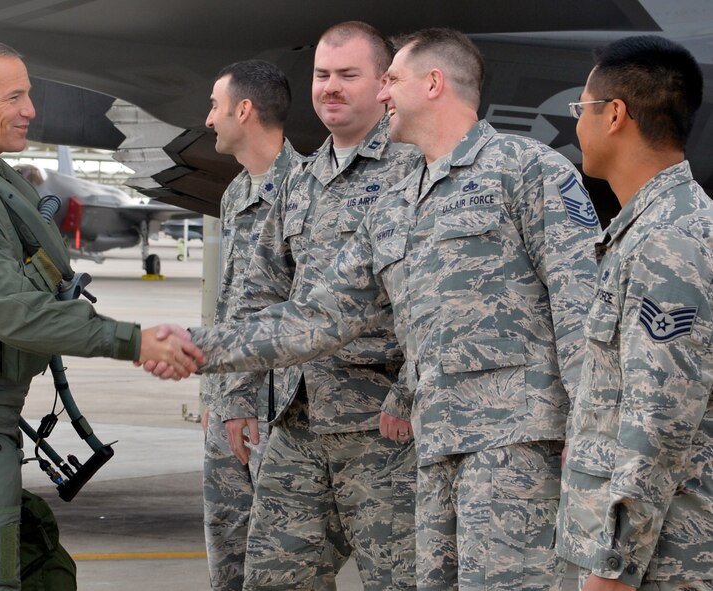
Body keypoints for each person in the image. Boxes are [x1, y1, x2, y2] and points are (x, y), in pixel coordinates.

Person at [149, 27, 600, 591]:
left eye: (391, 81)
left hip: (514, 447)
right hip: (433, 448)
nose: (383, 95)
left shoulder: (528, 170)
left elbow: (585, 317)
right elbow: (317, 316)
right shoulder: (394, 204)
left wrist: (591, 446)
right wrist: (196, 346)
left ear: (433, 84)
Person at [0, 39, 200, 590]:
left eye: (28, 94)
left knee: (39, 570)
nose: (31, 109)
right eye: (14, 97)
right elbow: (12, 312)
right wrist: (135, 342)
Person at [556, 36, 713, 591]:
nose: (576, 125)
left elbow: (658, 420)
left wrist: (614, 567)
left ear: (614, 114)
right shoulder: (652, 227)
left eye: (581, 109)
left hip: (665, 560)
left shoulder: (667, 240)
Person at [200, 59, 304, 590]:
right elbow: (229, 308)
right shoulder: (236, 192)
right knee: (227, 549)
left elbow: (298, 312)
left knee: (278, 559)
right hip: (229, 406)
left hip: (275, 410)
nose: (208, 119)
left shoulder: (305, 191)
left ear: (244, 110)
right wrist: (216, 398)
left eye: (216, 106)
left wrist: (243, 402)